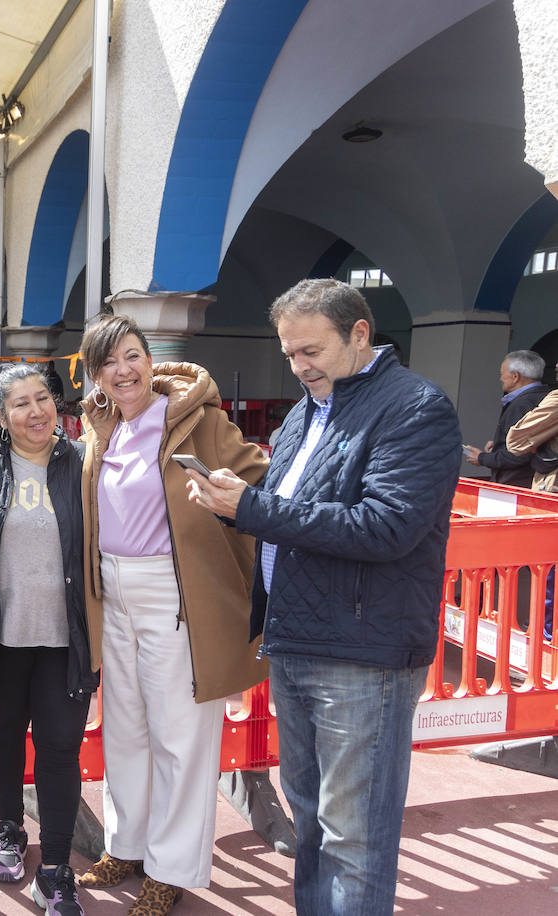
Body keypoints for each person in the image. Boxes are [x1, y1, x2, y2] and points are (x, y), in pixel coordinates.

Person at [187, 279, 461, 916]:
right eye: (289, 354)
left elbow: (386, 526)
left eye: (311, 350)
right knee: (311, 821)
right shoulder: (309, 410)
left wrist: (253, 508)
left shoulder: (414, 407)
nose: (298, 365)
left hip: (363, 652)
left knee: (352, 836)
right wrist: (235, 506)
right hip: (299, 639)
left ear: (359, 334)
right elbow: (292, 508)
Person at [72, 314, 269, 916]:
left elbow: (259, 483)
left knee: (180, 735)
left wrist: (227, 496)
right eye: (110, 362)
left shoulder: (198, 419)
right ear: (97, 374)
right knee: (126, 728)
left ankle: (172, 867)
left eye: (132, 355)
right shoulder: (100, 427)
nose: (124, 370)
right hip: (112, 591)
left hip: (175, 591)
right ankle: (127, 845)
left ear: (149, 358)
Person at [0, 363, 95, 916]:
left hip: (68, 638)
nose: (36, 411)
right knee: (5, 738)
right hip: (2, 637)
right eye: (21, 404)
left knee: (61, 749)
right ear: (0, 416)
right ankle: (8, 828)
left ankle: (56, 871)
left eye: (44, 399)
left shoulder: (83, 463)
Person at [504, 370, 558, 639]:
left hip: (553, 494)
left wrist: (539, 444)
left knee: (548, 567)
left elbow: (516, 440)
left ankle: (546, 634)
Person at [463, 349, 547, 486]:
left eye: (502, 374)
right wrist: (500, 444)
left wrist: (483, 458)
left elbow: (520, 454)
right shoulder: (545, 397)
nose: (500, 379)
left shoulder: (522, 404)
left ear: (515, 376)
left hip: (516, 485)